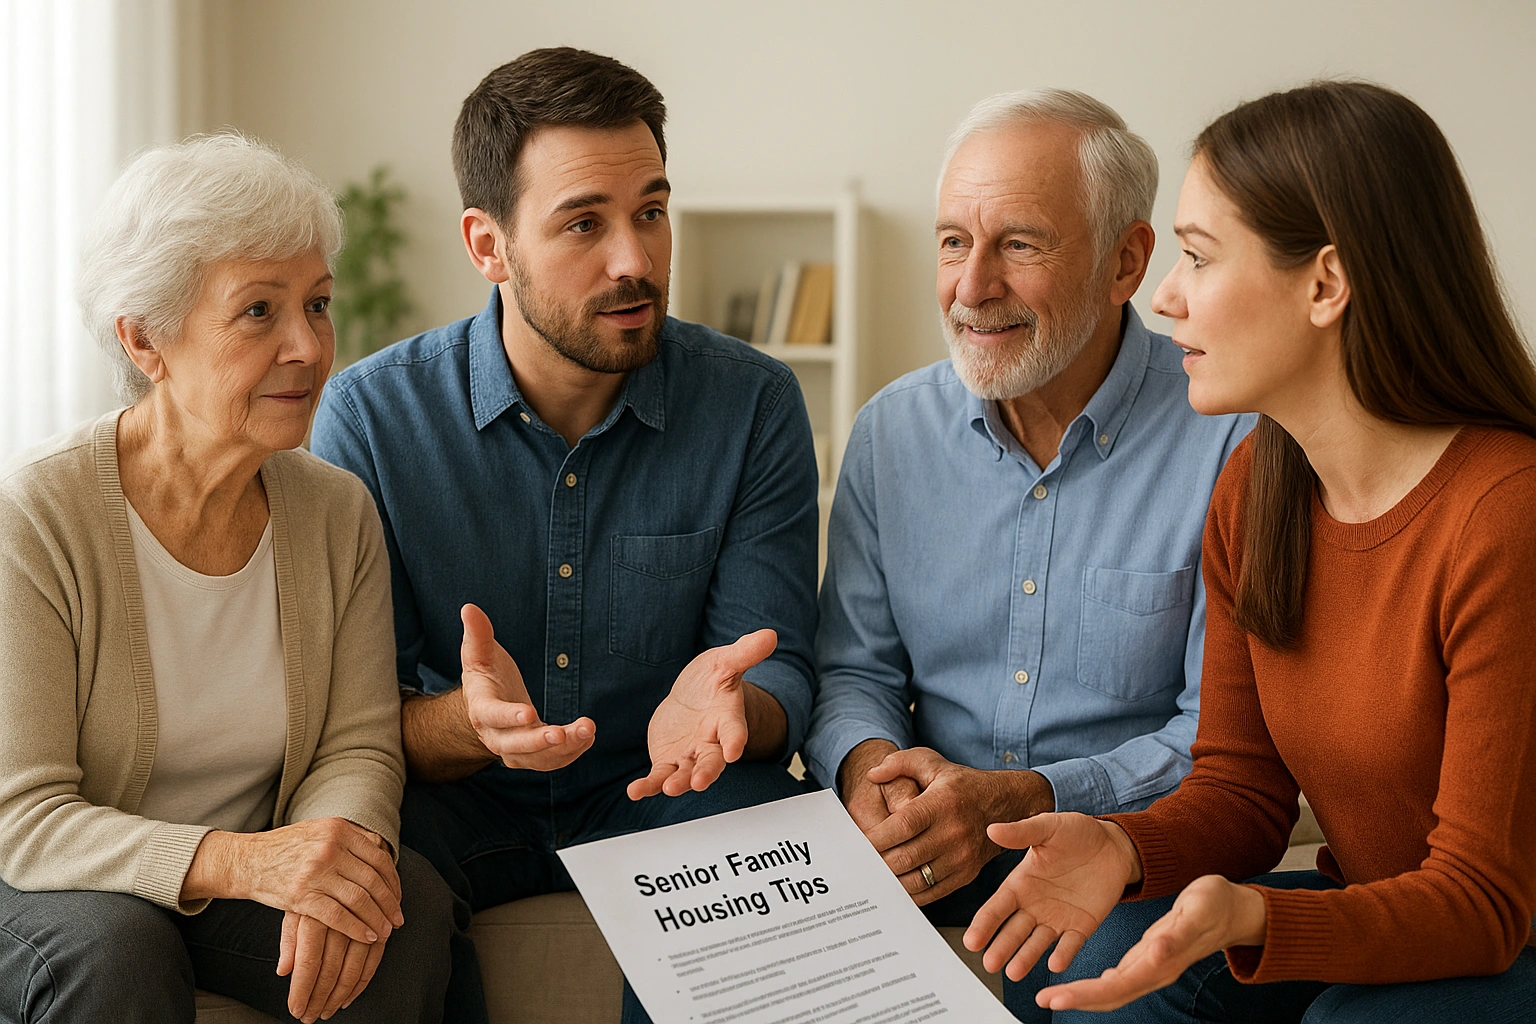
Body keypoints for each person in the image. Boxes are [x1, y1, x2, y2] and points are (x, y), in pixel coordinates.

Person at [964, 80, 1536, 1023]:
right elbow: (1241, 788)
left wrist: (1256, 915)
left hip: (1503, 933)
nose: (1165, 297)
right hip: (1392, 912)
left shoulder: (1503, 515)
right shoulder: (1257, 491)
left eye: (1195, 256)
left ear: (1324, 284)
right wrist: (1126, 849)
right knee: (1103, 962)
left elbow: (1481, 905)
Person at [310, 48, 817, 1024]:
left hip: (669, 788)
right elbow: (352, 715)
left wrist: (732, 707)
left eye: (652, 212)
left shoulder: (754, 404)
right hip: (456, 804)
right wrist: (471, 724)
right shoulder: (372, 419)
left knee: (772, 827)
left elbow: (782, 660)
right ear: (487, 244)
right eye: (584, 222)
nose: (635, 259)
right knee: (360, 874)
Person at [802, 89, 1253, 1021]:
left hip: (1124, 850)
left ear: (1127, 261)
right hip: (922, 836)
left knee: (1096, 986)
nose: (971, 288)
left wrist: (1022, 795)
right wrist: (872, 771)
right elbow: (854, 669)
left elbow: (1217, 738)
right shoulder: (889, 434)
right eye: (953, 243)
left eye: (1019, 244)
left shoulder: (1230, 438)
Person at [0, 135, 456, 1024]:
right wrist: (248, 863)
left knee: (394, 907)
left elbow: (356, 747)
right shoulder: (37, 515)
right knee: (117, 947)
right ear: (145, 340)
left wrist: (338, 859)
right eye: (258, 312)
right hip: (54, 880)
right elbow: (25, 816)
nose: (307, 346)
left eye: (318, 304)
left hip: (244, 865)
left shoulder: (336, 512)